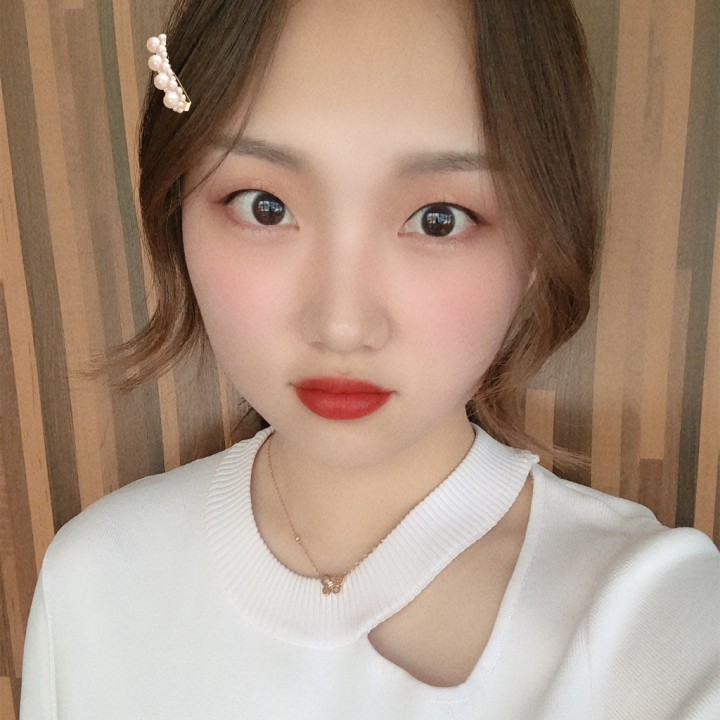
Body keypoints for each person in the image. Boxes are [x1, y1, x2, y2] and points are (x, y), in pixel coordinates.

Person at [19, 1, 720, 718]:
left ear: (542, 245)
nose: (342, 326)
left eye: (439, 220)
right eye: (264, 206)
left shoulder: (651, 618)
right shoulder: (94, 583)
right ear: (177, 214)